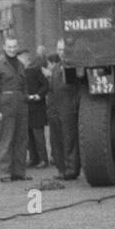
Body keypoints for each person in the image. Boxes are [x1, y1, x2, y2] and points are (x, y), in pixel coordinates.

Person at [0, 32, 30, 182]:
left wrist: (25, 100)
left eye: (14, 46)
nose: (12, 49)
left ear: (17, 47)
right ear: (4, 47)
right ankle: (4, 172)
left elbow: (24, 87)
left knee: (21, 139)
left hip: (20, 106)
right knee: (6, 139)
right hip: (5, 106)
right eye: (9, 46)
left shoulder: (21, 65)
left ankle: (19, 172)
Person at [46, 39, 81, 180]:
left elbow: (79, 89)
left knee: (69, 140)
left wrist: (75, 106)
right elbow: (52, 89)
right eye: (59, 50)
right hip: (55, 108)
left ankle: (71, 169)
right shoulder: (56, 68)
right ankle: (61, 169)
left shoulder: (75, 67)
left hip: (69, 108)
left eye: (64, 50)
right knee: (56, 139)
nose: (62, 52)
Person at [24, 48, 50, 169]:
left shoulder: (34, 71)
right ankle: (34, 159)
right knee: (29, 136)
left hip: (36, 107)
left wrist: (38, 95)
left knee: (38, 136)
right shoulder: (20, 73)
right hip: (27, 108)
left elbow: (46, 85)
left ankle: (43, 159)